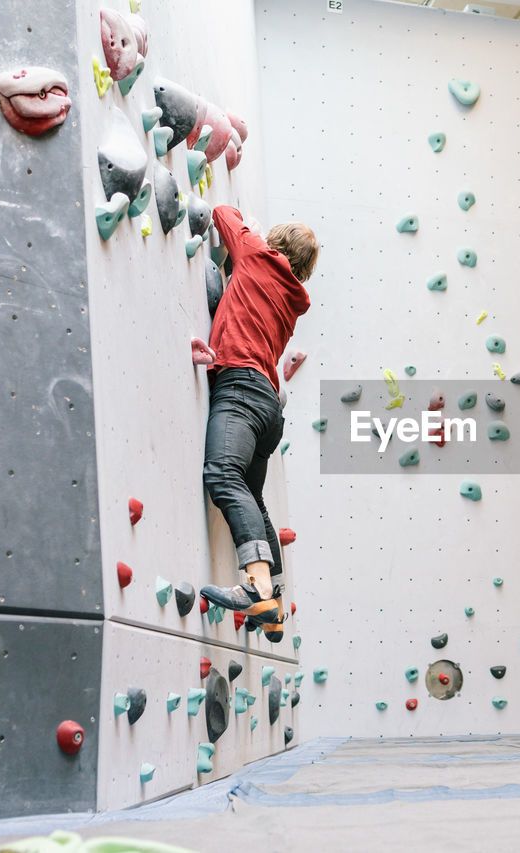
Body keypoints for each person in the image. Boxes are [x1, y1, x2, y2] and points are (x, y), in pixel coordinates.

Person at [199, 206, 318, 643]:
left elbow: (223, 213)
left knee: (223, 475)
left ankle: (259, 588)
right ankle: (275, 609)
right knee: (253, 496)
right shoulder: (293, 296)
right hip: (269, 405)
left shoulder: (255, 254)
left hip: (242, 387)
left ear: (276, 244)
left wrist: (254, 234)